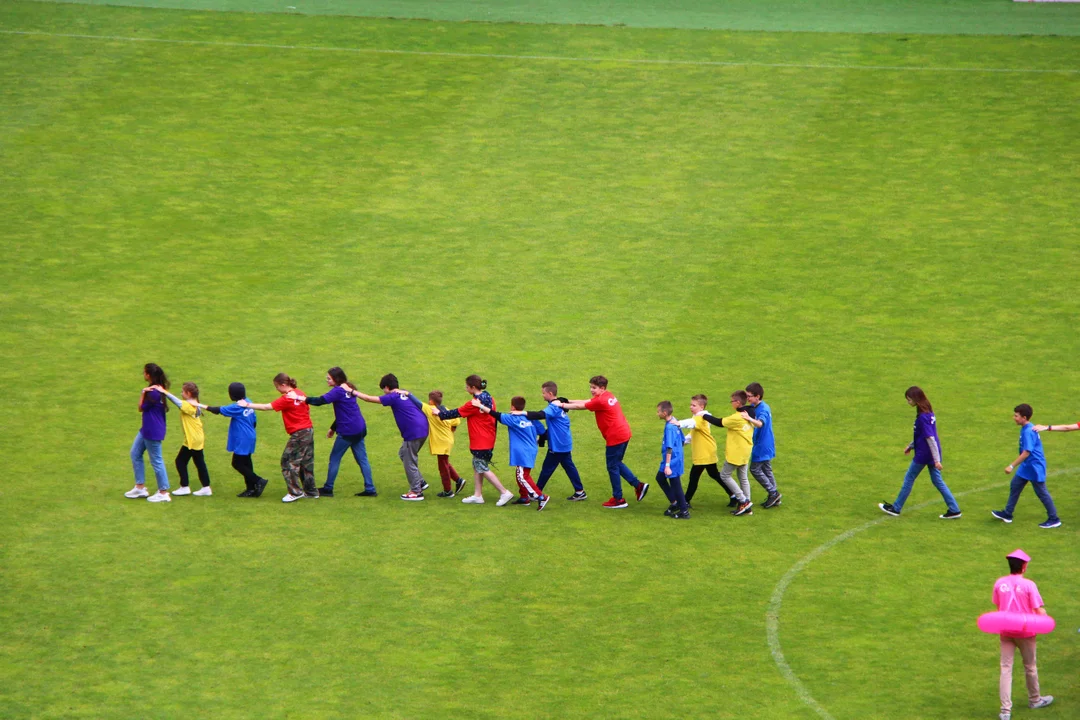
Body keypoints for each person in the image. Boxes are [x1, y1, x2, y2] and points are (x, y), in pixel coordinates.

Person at [555, 375, 648, 509]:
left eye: (594, 388)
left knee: (612, 467)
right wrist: (568, 400)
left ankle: (618, 499)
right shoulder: (607, 395)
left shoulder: (601, 401)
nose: (591, 390)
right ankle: (638, 486)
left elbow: (581, 406)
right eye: (591, 387)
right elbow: (586, 401)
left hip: (615, 437)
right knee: (616, 463)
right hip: (624, 433)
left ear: (602, 388)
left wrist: (562, 405)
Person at [878, 386, 961, 519]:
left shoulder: (922, 417)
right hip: (930, 452)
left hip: (925, 454)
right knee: (937, 481)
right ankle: (954, 509)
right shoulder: (928, 412)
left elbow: (930, 438)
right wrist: (911, 446)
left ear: (916, 399)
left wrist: (937, 460)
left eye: (909, 399)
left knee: (909, 477)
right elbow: (923, 435)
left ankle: (896, 508)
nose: (908, 402)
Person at [991, 549, 1054, 720]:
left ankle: (1005, 710)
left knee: (1005, 669)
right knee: (1030, 667)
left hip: (1005, 631)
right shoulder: (1029, 585)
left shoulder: (999, 583)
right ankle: (1034, 700)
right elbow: (1038, 609)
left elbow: (998, 607)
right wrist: (1047, 621)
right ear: (1024, 566)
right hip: (1025, 632)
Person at [434, 375, 514, 506]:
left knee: (482, 467)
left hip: (480, 440)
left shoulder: (474, 404)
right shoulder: (490, 398)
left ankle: (504, 492)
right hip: (489, 437)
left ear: (473, 387)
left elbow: (456, 412)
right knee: (477, 466)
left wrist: (439, 413)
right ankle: (478, 495)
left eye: (467, 386)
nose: (465, 388)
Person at [239, 373, 319, 503]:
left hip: (299, 433)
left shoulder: (287, 398)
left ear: (283, 385)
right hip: (308, 430)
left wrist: (247, 405)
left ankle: (295, 492)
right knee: (306, 462)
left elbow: (267, 407)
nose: (276, 389)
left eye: (277, 386)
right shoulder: (299, 393)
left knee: (287, 461)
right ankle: (311, 491)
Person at [352, 373, 429, 501]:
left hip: (413, 432)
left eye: (384, 389)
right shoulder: (404, 393)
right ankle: (420, 481)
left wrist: (353, 392)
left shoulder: (393, 396)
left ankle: (416, 491)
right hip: (423, 428)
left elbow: (369, 399)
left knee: (409, 460)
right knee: (403, 454)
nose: (384, 392)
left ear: (387, 387)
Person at [303, 367, 376, 498]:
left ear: (336, 379)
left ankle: (328, 488)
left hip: (348, 431)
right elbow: (345, 412)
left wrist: (302, 398)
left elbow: (320, 401)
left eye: (329, 378)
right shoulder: (349, 387)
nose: (327, 380)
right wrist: (333, 428)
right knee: (363, 459)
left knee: (334, 458)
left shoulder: (338, 391)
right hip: (359, 428)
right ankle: (370, 488)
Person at [992, 405, 1061, 529]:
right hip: (1027, 465)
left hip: (1034, 466)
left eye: (1016, 416)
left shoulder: (1028, 431)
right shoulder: (1027, 427)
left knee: (1041, 492)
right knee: (1015, 485)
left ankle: (1054, 518)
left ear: (1024, 417)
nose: (1014, 418)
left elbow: (1026, 452)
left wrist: (1011, 466)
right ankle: (1008, 513)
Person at [477, 396, 551, 511]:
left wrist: (480, 406)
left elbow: (495, 414)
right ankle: (524, 497)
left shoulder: (512, 418)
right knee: (519, 473)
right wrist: (537, 441)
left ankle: (540, 497)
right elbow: (543, 433)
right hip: (531, 450)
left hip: (522, 452)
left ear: (512, 406)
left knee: (523, 476)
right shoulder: (531, 417)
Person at [676, 394, 744, 508]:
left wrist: (678, 423)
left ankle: (686, 501)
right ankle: (733, 495)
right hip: (707, 451)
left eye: (694, 405)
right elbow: (692, 434)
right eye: (691, 405)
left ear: (701, 407)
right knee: (714, 474)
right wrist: (683, 443)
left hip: (704, 452)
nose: (690, 407)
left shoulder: (700, 418)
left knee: (694, 477)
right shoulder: (700, 417)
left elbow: (690, 424)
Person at [524, 382, 586, 501]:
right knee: (569, 466)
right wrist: (541, 438)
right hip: (564, 443)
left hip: (558, 446)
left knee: (547, 468)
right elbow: (556, 427)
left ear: (550, 393)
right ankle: (580, 491)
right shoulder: (558, 405)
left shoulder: (554, 406)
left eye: (543, 393)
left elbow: (540, 415)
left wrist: (524, 413)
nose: (542, 395)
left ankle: (536, 493)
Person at [206, 382, 269, 498]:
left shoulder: (237, 407)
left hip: (242, 438)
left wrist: (199, 405)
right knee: (246, 462)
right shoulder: (248, 402)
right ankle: (250, 489)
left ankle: (258, 481)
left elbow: (218, 410)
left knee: (237, 463)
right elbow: (254, 421)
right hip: (250, 435)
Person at [699, 391, 754, 516]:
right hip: (746, 450)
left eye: (732, 401)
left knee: (724, 475)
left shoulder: (737, 417)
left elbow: (719, 422)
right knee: (743, 477)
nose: (731, 403)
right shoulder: (750, 412)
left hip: (736, 453)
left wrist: (704, 415)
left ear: (738, 403)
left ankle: (743, 500)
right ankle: (747, 506)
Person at [125, 363, 173, 502]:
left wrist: (143, 392)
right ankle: (140, 487)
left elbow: (141, 408)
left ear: (149, 375)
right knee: (135, 453)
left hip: (152, 430)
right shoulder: (158, 389)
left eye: (145, 372)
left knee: (156, 460)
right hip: (147, 429)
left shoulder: (152, 392)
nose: (143, 374)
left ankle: (163, 492)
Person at [157, 382, 212, 496]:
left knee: (180, 461)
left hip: (192, 439)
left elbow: (176, 402)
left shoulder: (188, 405)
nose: (181, 393)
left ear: (188, 393)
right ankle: (206, 487)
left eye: (183, 392)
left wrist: (164, 392)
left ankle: (185, 486)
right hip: (197, 437)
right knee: (199, 462)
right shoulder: (195, 404)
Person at [410, 390, 465, 498]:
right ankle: (458, 480)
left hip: (441, 442)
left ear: (431, 401)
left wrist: (408, 394)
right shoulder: (445, 409)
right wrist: (453, 428)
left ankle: (448, 491)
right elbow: (457, 421)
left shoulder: (430, 409)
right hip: (448, 439)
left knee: (443, 467)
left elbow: (417, 403)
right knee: (444, 462)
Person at [744, 382, 782, 508]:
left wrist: (748, 418)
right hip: (767, 443)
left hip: (762, 444)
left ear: (757, 396)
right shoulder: (760, 406)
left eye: (749, 396)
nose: (748, 399)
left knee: (754, 469)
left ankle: (773, 492)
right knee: (766, 469)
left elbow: (760, 424)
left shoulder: (763, 409)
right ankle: (775, 497)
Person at [655, 401, 690, 519]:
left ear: (664, 413)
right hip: (675, 457)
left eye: (658, 411)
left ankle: (684, 511)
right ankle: (675, 502)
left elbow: (669, 447)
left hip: (672, 460)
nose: (657, 414)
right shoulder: (674, 421)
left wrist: (668, 465)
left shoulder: (670, 427)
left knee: (676, 484)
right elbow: (682, 440)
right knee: (660, 478)